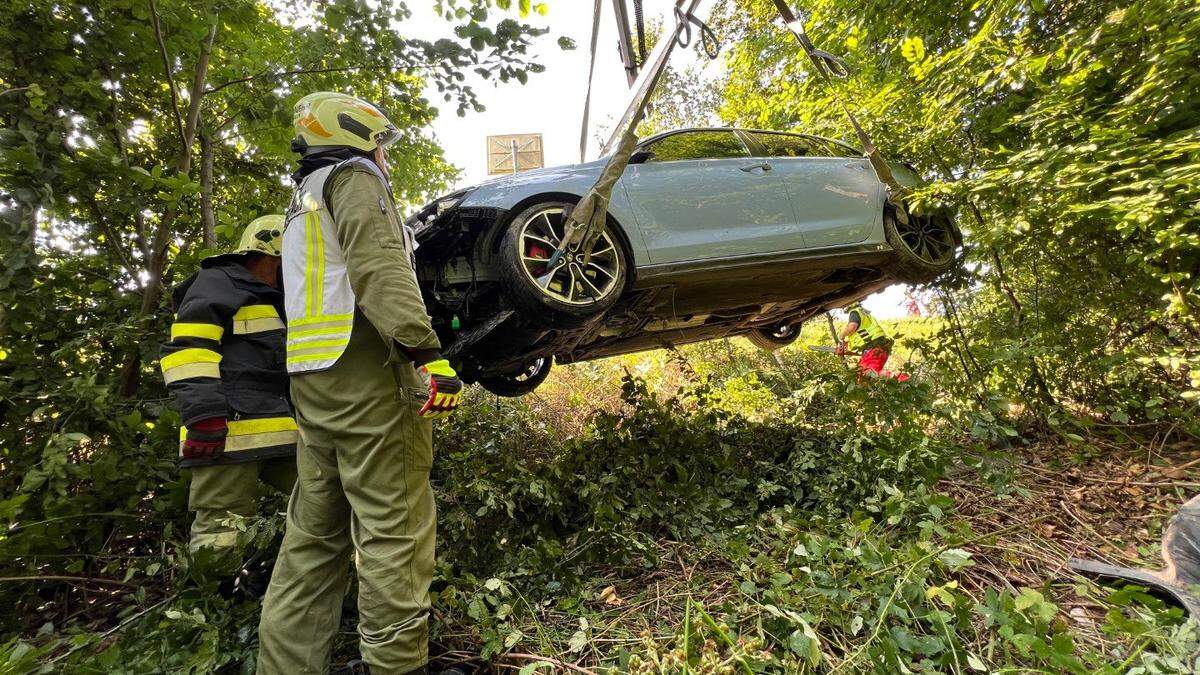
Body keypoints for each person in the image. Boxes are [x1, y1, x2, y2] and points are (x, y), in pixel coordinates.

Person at [257, 92, 464, 675]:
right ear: (358, 138)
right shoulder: (352, 178)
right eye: (382, 145)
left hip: (313, 381)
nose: (385, 158)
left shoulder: (303, 199)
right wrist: (428, 354)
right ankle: (398, 668)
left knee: (312, 540)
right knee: (394, 529)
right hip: (366, 375)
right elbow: (379, 267)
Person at [159, 215, 297, 567]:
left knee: (327, 498)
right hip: (226, 434)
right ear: (272, 255)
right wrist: (205, 417)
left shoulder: (278, 297)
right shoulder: (220, 282)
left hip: (281, 433)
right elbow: (189, 350)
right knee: (219, 535)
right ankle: (211, 609)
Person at [836, 302, 906, 380]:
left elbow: (852, 326)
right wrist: (847, 345)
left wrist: (841, 336)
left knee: (869, 372)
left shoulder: (854, 312)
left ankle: (902, 379)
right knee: (862, 375)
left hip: (874, 346)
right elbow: (862, 335)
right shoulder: (864, 314)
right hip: (877, 346)